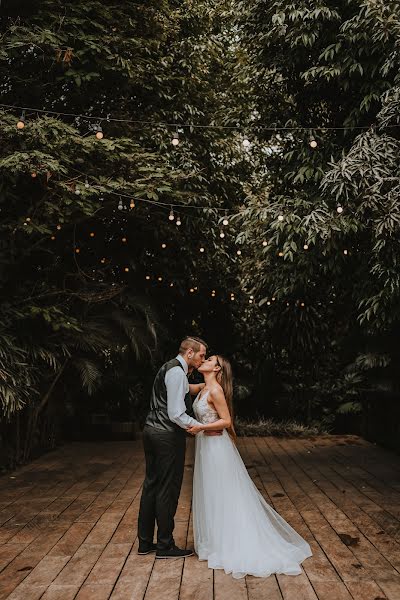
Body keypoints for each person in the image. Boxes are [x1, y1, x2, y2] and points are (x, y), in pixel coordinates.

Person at [187, 355, 313, 578]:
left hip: (216, 447)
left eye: (210, 359)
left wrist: (199, 427)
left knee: (224, 492)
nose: (204, 360)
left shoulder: (215, 391)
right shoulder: (203, 388)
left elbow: (226, 422)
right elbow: (182, 385)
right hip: (205, 446)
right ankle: (217, 539)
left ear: (216, 368)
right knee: (213, 493)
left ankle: (233, 541)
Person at [137, 336, 223, 559]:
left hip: (151, 430)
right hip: (166, 435)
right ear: (190, 354)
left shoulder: (173, 369)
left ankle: (145, 543)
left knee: (152, 485)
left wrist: (208, 384)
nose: (203, 358)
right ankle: (165, 546)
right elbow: (176, 413)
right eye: (202, 355)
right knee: (168, 489)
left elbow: (189, 389)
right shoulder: (177, 372)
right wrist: (201, 427)